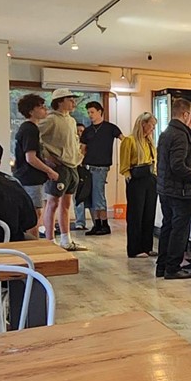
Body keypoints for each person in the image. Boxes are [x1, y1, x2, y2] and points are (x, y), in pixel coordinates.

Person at [156, 98, 191, 279]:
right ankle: (173, 268)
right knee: (179, 230)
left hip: (165, 189)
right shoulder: (180, 135)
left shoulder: (166, 133)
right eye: (190, 114)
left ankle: (162, 266)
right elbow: (178, 165)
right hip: (180, 191)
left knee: (168, 227)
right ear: (185, 114)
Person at [36, 88, 86, 251]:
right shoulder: (50, 119)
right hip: (59, 166)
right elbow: (36, 138)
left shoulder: (71, 120)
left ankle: (66, 239)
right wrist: (47, 157)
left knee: (66, 204)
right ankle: (50, 240)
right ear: (59, 101)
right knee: (53, 203)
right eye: (69, 99)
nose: (73, 103)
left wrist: (78, 155)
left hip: (72, 166)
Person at [0, 137, 38, 239]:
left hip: (3, 238)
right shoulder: (11, 184)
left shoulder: (11, 185)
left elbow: (29, 219)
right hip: (3, 238)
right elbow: (29, 221)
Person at [12, 93, 58, 229]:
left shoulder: (29, 128)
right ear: (31, 111)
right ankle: (33, 240)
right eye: (41, 107)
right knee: (34, 215)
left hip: (29, 177)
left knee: (34, 213)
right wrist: (50, 171)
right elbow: (30, 158)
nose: (45, 109)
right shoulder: (30, 129)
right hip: (30, 178)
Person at [80, 100, 123, 237]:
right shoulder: (87, 131)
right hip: (88, 166)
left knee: (98, 195)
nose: (90, 115)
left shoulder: (110, 128)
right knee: (90, 196)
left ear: (100, 112)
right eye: (88, 112)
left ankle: (104, 224)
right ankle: (97, 223)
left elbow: (124, 140)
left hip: (101, 167)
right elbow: (82, 149)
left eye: (92, 112)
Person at [119, 110, 157, 258]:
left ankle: (147, 246)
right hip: (136, 180)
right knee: (136, 214)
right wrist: (129, 178)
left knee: (149, 213)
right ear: (143, 124)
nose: (153, 128)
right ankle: (134, 248)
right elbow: (124, 165)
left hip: (150, 178)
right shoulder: (129, 141)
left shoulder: (149, 142)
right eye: (151, 125)